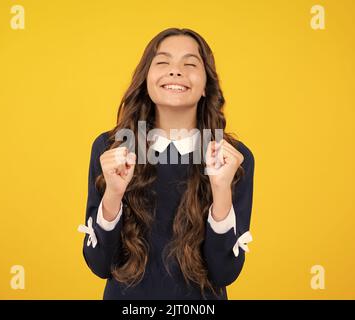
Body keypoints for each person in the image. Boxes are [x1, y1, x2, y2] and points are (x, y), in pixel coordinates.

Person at [78, 27, 255, 300]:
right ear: (146, 79)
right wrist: (113, 193)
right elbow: (99, 264)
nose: (175, 71)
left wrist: (221, 191)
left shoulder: (232, 158)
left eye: (190, 63)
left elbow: (224, 274)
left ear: (207, 84)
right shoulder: (110, 149)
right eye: (163, 62)